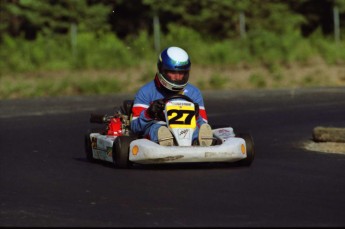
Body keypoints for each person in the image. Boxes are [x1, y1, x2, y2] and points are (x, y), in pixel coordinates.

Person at [130, 46, 213, 146]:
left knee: (198, 128)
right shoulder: (146, 92)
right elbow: (134, 127)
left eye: (182, 73)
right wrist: (149, 114)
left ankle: (198, 141)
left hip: (187, 130)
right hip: (159, 129)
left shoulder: (193, 92)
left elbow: (204, 123)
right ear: (162, 70)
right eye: (173, 72)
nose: (178, 77)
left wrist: (196, 115)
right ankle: (166, 142)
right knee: (157, 129)